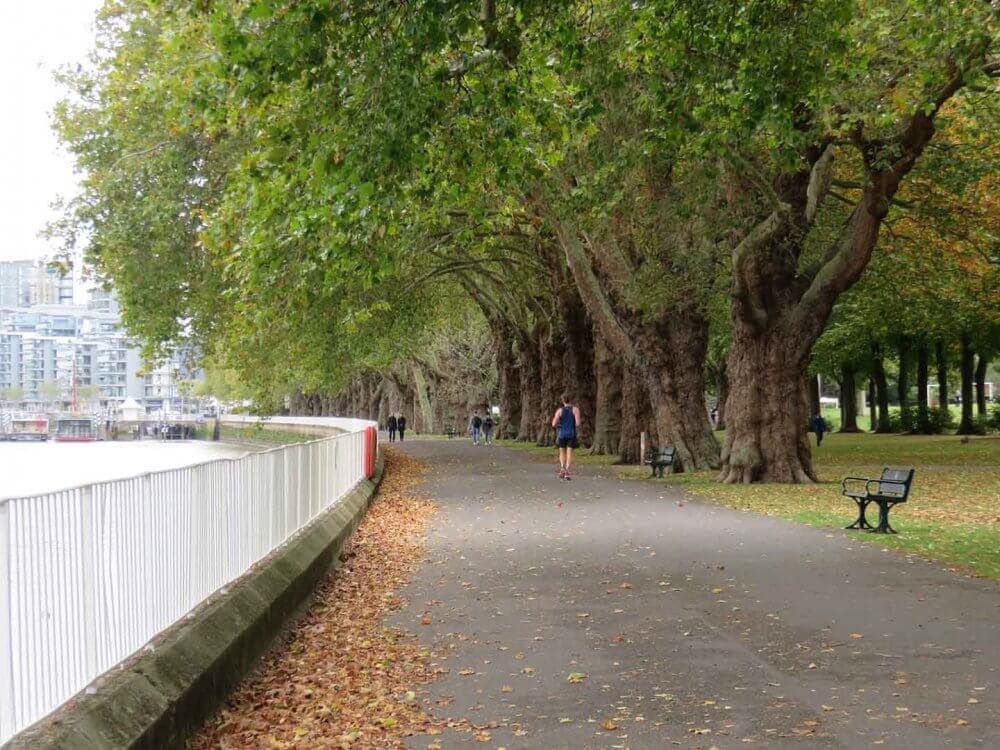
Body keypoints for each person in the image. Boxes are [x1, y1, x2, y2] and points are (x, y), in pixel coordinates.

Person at [551, 393, 581, 480]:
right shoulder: (575, 410)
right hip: (571, 434)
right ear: (571, 400)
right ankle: (567, 471)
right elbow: (578, 423)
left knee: (561, 452)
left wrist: (559, 425)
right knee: (569, 453)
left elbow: (553, 424)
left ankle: (562, 468)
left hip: (562, 434)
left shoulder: (560, 411)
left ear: (562, 401)